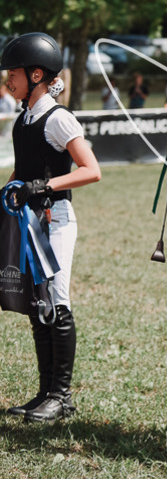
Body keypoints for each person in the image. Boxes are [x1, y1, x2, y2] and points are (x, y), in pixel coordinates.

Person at [2, 33, 102, 421]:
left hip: (54, 221)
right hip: (28, 222)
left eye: (13, 73)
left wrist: (42, 187)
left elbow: (91, 171)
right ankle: (44, 391)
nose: (8, 81)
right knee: (36, 303)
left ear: (35, 73)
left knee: (56, 302)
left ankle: (62, 396)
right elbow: (23, 171)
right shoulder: (25, 117)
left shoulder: (57, 118)